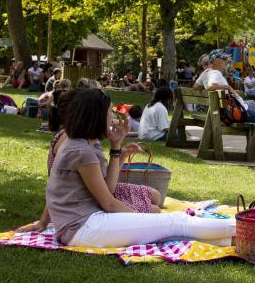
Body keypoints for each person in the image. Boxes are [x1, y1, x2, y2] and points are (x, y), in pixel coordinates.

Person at [40, 89, 234, 248]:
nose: (113, 116)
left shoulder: (84, 144)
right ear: (97, 116)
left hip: (82, 227)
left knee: (171, 229)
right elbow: (109, 203)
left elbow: (107, 190)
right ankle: (249, 226)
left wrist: (117, 148)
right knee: (175, 221)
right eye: (110, 111)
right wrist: (141, 216)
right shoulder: (81, 151)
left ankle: (236, 239)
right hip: (84, 228)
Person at [203, 49, 255, 161]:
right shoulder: (215, 73)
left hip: (229, 109)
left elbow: (196, 87)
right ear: (216, 60)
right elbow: (211, 86)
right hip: (234, 113)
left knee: (252, 103)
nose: (227, 61)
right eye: (224, 59)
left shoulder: (207, 73)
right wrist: (228, 87)